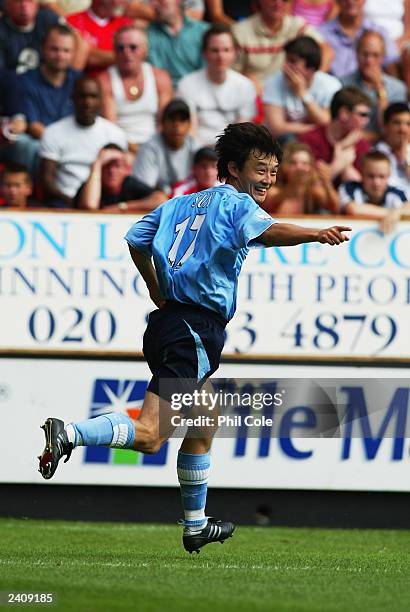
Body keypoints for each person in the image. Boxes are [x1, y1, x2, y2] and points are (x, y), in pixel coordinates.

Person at [38, 121, 351, 553]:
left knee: (205, 418)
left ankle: (196, 524)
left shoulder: (180, 203)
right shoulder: (236, 204)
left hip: (168, 324)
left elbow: (136, 239)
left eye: (273, 172)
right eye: (260, 169)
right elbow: (268, 231)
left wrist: (154, 287)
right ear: (233, 169)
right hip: (195, 330)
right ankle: (69, 433)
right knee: (150, 435)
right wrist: (315, 233)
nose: (267, 179)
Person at [39, 76, 127, 206]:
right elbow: (47, 180)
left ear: (101, 100)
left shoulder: (115, 134)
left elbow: (120, 175)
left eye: (93, 96)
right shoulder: (53, 132)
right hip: (63, 202)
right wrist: (74, 202)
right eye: (82, 96)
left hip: (102, 199)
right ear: (72, 99)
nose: (87, 102)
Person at [13, 23, 80, 174]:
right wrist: (63, 146)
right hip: (43, 144)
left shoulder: (79, 80)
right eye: (54, 49)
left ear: (74, 53)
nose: (60, 56)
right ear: (43, 49)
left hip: (75, 142)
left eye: (66, 51)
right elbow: (34, 127)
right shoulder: (26, 81)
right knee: (26, 145)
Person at [176, 24, 257, 145]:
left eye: (226, 50)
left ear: (235, 53)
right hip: (197, 152)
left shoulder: (246, 86)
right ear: (204, 53)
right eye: (215, 50)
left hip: (232, 152)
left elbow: (243, 131)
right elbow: (189, 131)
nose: (221, 56)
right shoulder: (186, 84)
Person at [98, 25, 172, 153]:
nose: (126, 52)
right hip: (119, 147)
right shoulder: (105, 80)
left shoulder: (160, 78)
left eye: (133, 47)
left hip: (156, 147)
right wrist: (135, 151)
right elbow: (111, 128)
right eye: (121, 48)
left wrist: (151, 151)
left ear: (145, 51)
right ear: (114, 52)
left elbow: (164, 124)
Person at [232, 0, 328, 92]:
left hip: (291, 92)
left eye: (285, 0)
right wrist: (245, 79)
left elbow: (327, 50)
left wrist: (313, 78)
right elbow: (230, 71)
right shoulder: (240, 31)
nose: (278, 3)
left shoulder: (297, 26)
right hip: (255, 94)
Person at [263, 35, 341, 141]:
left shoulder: (331, 85)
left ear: (310, 68)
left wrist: (303, 94)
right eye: (286, 60)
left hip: (319, 142)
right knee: (288, 138)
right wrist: (317, 130)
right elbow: (276, 128)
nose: (285, 66)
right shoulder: (274, 81)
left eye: (292, 61)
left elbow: (327, 122)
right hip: (282, 142)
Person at [298, 86, 371, 184]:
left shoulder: (362, 145)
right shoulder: (309, 140)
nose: (366, 121)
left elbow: (364, 189)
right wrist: (338, 164)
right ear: (344, 113)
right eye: (362, 115)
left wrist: (342, 148)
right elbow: (307, 186)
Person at [341, 31, 407, 138]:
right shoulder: (343, 84)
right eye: (365, 54)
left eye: (375, 55)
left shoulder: (398, 88)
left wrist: (380, 88)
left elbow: (391, 130)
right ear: (356, 54)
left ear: (383, 57)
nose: (369, 61)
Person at [319, 0, 400, 79]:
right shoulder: (321, 34)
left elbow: (393, 72)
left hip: (369, 89)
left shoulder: (379, 33)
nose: (350, 1)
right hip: (334, 90)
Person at [132, 98, 199, 194]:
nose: (177, 125)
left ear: (189, 124)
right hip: (159, 205)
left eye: (182, 120)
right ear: (162, 123)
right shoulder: (150, 148)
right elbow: (143, 191)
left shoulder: (195, 147)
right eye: (172, 119)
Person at [75, 143, 167, 211]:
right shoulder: (90, 185)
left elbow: (162, 200)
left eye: (117, 166)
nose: (112, 171)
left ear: (126, 170)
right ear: (99, 170)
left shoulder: (128, 183)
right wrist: (97, 163)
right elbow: (90, 206)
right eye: (107, 166)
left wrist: (122, 207)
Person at [338, 149, 409, 233]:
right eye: (371, 176)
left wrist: (398, 212)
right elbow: (353, 209)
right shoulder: (349, 188)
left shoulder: (397, 192)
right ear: (361, 173)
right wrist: (394, 213)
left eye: (381, 176)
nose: (376, 182)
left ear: (389, 175)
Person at [147, 0, 209, 87]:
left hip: (201, 90)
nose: (154, 4)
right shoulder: (146, 36)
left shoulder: (204, 31)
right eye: (152, 1)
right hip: (165, 93)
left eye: (160, 0)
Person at [264, 142, 339, 214]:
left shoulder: (313, 193)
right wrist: (294, 184)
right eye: (293, 163)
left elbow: (334, 207)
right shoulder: (273, 191)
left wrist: (327, 182)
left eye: (305, 163)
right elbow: (271, 204)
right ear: (285, 166)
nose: (300, 168)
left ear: (311, 167)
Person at [67, 0, 132, 74]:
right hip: (84, 81)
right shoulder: (73, 22)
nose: (122, 1)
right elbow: (84, 57)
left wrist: (90, 52)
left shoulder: (126, 23)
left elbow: (135, 55)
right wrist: (121, 57)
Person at [0, 0, 60, 73]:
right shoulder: (2, 31)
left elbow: (73, 36)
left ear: (38, 4)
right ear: (7, 5)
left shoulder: (49, 20)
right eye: (17, 1)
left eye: (29, 1)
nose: (24, 5)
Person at [374, 102, 410, 198]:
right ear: (386, 126)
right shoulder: (376, 154)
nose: (403, 129)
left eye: (408, 124)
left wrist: (405, 161)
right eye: (397, 123)